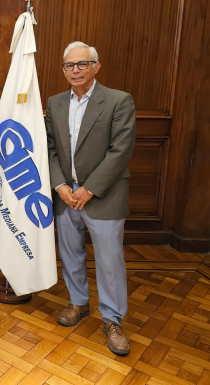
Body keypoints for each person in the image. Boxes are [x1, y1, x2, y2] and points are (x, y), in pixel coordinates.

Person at [44, 41, 136, 356]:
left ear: (96, 66)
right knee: (70, 252)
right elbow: (51, 148)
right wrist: (60, 185)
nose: (76, 70)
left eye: (83, 64)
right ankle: (79, 303)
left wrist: (90, 188)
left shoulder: (118, 101)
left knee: (109, 260)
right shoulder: (54, 103)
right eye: (69, 65)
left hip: (102, 195)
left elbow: (120, 150)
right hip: (66, 195)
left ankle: (112, 320)